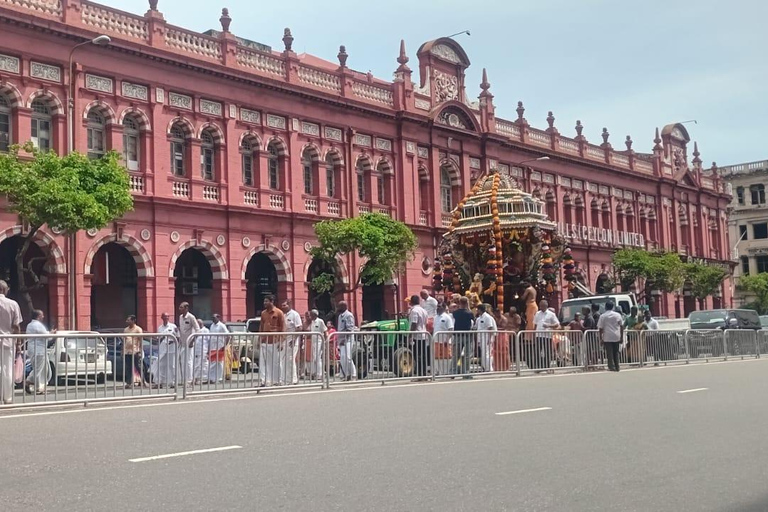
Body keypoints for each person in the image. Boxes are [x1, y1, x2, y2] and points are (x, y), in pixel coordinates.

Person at [0, 281, 20, 404]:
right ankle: (7, 397)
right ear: (3, 289)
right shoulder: (12, 304)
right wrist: (18, 343)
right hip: (7, 341)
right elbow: (16, 326)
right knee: (7, 369)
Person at [259, 295, 285, 387]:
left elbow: (283, 327)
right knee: (264, 362)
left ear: (272, 301)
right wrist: (260, 339)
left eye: (266, 301)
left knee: (276, 361)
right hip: (265, 341)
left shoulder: (279, 313)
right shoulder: (263, 313)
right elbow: (261, 327)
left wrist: (281, 342)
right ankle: (265, 380)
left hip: (275, 341)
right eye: (264, 301)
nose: (264, 303)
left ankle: (277, 380)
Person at [25, 309, 52, 395]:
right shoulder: (38, 325)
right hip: (39, 350)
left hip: (32, 349)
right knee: (39, 369)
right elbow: (46, 336)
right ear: (38, 316)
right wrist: (51, 333)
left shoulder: (29, 325)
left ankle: (34, 383)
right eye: (42, 315)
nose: (43, 317)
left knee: (40, 368)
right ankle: (36, 386)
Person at [530, 300, 559, 371]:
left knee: (547, 351)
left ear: (546, 306)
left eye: (542, 306)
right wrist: (534, 334)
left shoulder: (551, 314)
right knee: (537, 351)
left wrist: (549, 325)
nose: (541, 307)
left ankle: (547, 366)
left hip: (547, 335)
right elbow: (535, 325)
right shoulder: (537, 313)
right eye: (540, 306)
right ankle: (538, 367)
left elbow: (557, 324)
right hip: (538, 335)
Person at [280, 300, 302, 385]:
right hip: (284, 340)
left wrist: (294, 339)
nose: (282, 307)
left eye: (284, 305)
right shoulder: (283, 315)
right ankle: (285, 379)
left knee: (290, 359)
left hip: (292, 341)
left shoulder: (295, 315)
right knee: (283, 360)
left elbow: (299, 328)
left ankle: (293, 379)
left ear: (289, 305)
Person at [598, 301, 624, 372]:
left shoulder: (603, 316)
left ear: (605, 307)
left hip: (607, 336)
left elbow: (600, 328)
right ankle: (617, 366)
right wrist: (621, 337)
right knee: (616, 352)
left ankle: (611, 366)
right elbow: (621, 326)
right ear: (613, 307)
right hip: (616, 335)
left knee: (609, 352)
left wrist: (601, 338)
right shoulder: (618, 315)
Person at [177, 302, 199, 386]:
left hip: (189, 343)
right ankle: (183, 379)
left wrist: (192, 341)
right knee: (182, 361)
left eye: (181, 307)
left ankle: (190, 380)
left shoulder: (191, 317)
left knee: (189, 362)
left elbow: (198, 330)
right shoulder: (180, 317)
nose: (180, 309)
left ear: (186, 308)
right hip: (182, 343)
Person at [451, 296, 474, 376]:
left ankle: (453, 371)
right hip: (467, 335)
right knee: (467, 355)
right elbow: (472, 321)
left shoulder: (455, 313)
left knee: (455, 354)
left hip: (457, 335)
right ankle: (466, 371)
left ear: (460, 303)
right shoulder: (469, 313)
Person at [408, 295, 429, 379]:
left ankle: (420, 375)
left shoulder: (414, 311)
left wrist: (410, 335)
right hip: (424, 334)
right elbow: (426, 322)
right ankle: (424, 374)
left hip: (417, 336)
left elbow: (414, 323)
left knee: (418, 356)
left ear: (411, 302)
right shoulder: (424, 311)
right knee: (423, 355)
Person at [156, 313, 179, 387]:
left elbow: (178, 337)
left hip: (172, 348)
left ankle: (173, 382)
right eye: (164, 317)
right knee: (161, 365)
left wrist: (173, 341)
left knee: (172, 366)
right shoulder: (160, 328)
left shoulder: (173, 326)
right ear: (162, 317)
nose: (166, 318)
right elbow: (158, 339)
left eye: (167, 316)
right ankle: (160, 382)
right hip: (163, 348)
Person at [336, 301, 357, 381]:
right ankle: (346, 374)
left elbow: (349, 329)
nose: (338, 308)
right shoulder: (340, 316)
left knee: (348, 357)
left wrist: (344, 339)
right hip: (341, 340)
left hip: (348, 339)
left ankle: (353, 374)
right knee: (343, 358)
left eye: (339, 307)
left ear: (344, 307)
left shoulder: (349, 315)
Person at [432, 304, 454, 376]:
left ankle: (447, 371)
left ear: (444, 308)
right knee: (437, 357)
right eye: (437, 306)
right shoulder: (435, 317)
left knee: (446, 357)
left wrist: (447, 340)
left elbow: (451, 329)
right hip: (436, 341)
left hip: (445, 341)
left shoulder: (447, 317)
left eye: (439, 307)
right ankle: (438, 371)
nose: (437, 308)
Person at [474, 304, 497, 372]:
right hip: (480, 338)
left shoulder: (487, 317)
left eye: (477, 309)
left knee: (487, 353)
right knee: (483, 353)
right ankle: (484, 367)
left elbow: (490, 327)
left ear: (480, 310)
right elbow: (476, 327)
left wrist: (489, 339)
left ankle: (489, 368)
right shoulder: (479, 318)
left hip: (487, 337)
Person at [123, 315, 145, 388]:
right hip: (127, 351)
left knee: (138, 367)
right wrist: (122, 350)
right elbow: (124, 340)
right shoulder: (126, 329)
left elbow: (141, 341)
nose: (127, 321)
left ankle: (143, 381)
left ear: (133, 321)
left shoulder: (138, 329)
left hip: (135, 351)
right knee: (128, 367)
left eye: (128, 320)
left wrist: (140, 351)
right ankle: (129, 383)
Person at [208, 314, 229, 383]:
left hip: (220, 347)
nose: (213, 319)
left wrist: (225, 345)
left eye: (214, 317)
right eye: (212, 318)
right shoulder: (212, 325)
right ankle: (212, 378)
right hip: (212, 347)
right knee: (212, 362)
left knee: (219, 363)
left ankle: (219, 378)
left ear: (218, 318)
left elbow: (228, 336)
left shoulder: (222, 326)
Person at [307, 309, 327, 380]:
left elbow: (325, 331)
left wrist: (325, 341)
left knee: (318, 358)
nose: (310, 316)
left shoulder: (320, 321)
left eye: (311, 315)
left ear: (315, 315)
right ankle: (314, 373)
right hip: (313, 341)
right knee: (314, 358)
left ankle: (320, 374)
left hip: (319, 341)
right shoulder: (311, 322)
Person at [193, 319, 209, 384]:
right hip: (196, 350)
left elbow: (208, 341)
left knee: (203, 365)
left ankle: (203, 378)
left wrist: (208, 351)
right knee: (197, 365)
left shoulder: (206, 330)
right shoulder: (196, 331)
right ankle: (196, 378)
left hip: (203, 350)